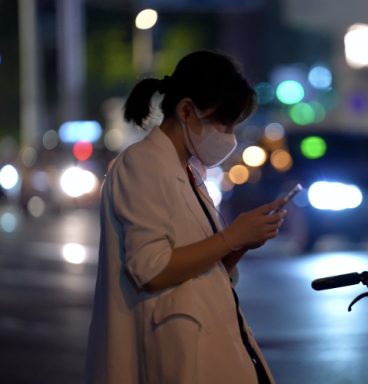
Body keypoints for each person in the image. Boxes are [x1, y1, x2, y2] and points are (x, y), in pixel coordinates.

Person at [85, 50, 286, 384]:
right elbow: (152, 269)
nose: (229, 136)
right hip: (172, 357)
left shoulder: (189, 173)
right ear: (187, 111)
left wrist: (244, 241)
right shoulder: (143, 164)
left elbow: (203, 267)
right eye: (223, 123)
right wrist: (230, 237)